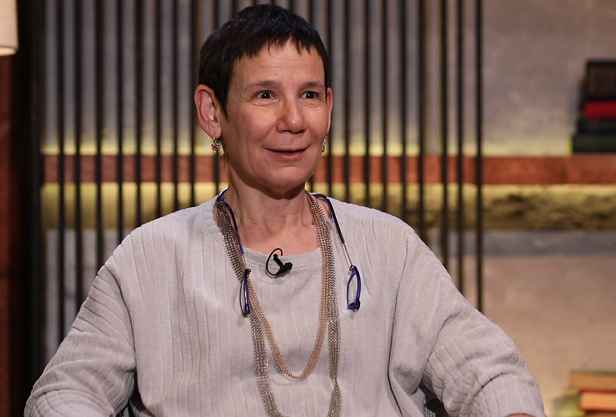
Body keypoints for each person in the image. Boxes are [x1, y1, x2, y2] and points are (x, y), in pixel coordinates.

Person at [25, 4, 545, 417]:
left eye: (310, 95)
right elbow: (64, 394)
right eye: (266, 95)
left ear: (329, 109)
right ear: (212, 113)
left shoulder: (389, 246)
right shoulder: (148, 259)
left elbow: (488, 370)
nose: (294, 120)